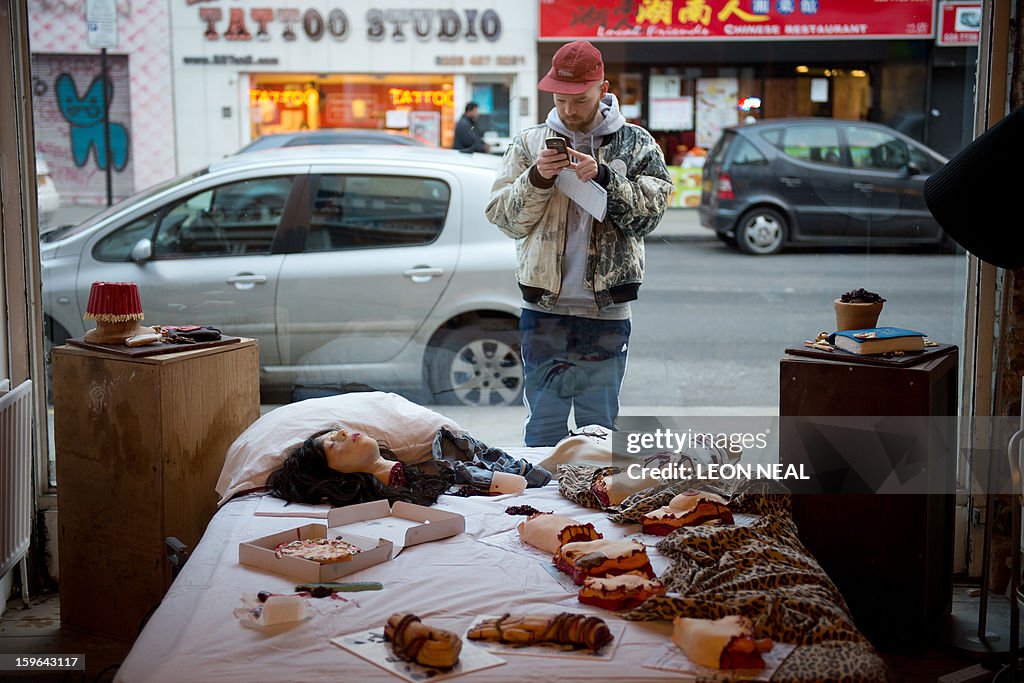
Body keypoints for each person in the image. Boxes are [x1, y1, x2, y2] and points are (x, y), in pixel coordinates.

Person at [486, 40, 672, 447]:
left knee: (599, 430)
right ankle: (538, 511)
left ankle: (592, 507)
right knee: (543, 428)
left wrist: (607, 177)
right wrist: (536, 179)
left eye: (580, 99)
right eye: (559, 98)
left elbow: (650, 217)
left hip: (606, 312)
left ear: (603, 90)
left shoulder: (637, 144)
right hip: (543, 309)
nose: (568, 109)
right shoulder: (529, 143)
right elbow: (505, 219)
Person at [267, 424, 550, 508]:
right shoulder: (368, 505)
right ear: (331, 474)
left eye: (337, 432)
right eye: (332, 445)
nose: (342, 434)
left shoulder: (433, 466)